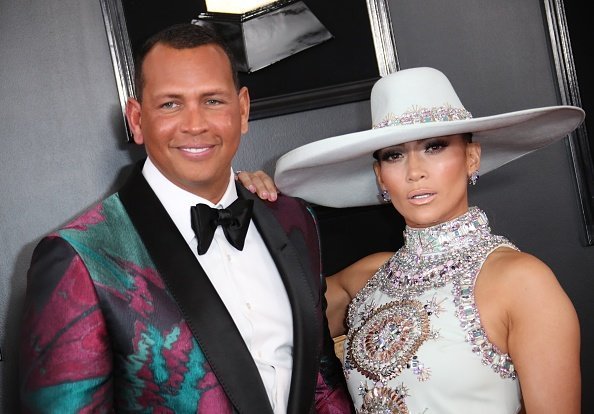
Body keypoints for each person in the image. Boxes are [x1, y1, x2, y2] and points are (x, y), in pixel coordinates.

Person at [18, 23, 353, 413]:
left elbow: (322, 382)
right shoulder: (81, 258)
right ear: (137, 120)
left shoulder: (294, 218)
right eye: (170, 104)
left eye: (212, 101)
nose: (195, 125)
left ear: (242, 110)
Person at [243, 67, 584, 413]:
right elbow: (257, 315)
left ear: (471, 157)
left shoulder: (522, 281)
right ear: (380, 176)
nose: (414, 171)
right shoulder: (366, 278)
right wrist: (242, 203)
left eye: (434, 147)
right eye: (394, 155)